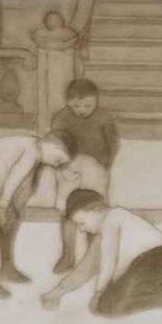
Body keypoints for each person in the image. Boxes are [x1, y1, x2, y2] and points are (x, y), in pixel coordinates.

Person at [0, 127, 72, 297]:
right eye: (59, 159)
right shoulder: (33, 151)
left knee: (13, 216)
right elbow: (13, 180)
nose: (56, 165)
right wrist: (2, 206)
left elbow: (25, 188)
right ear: (54, 146)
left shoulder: (38, 153)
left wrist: (13, 210)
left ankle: (7, 268)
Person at [44, 189, 162, 317]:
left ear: (96, 209)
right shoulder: (103, 232)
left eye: (82, 223)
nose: (81, 229)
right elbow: (86, 269)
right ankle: (161, 293)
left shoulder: (112, 217)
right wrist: (58, 291)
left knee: (107, 305)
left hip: (160, 257)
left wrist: (98, 293)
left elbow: (109, 261)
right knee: (107, 305)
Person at [48, 76, 120, 271]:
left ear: (96, 100)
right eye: (76, 105)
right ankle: (67, 256)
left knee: (94, 210)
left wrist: (104, 165)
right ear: (68, 102)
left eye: (88, 105)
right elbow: (55, 145)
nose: (82, 110)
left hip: (95, 168)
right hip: (68, 167)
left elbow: (113, 145)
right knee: (67, 211)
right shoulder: (60, 118)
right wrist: (60, 167)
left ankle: (92, 256)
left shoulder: (104, 118)